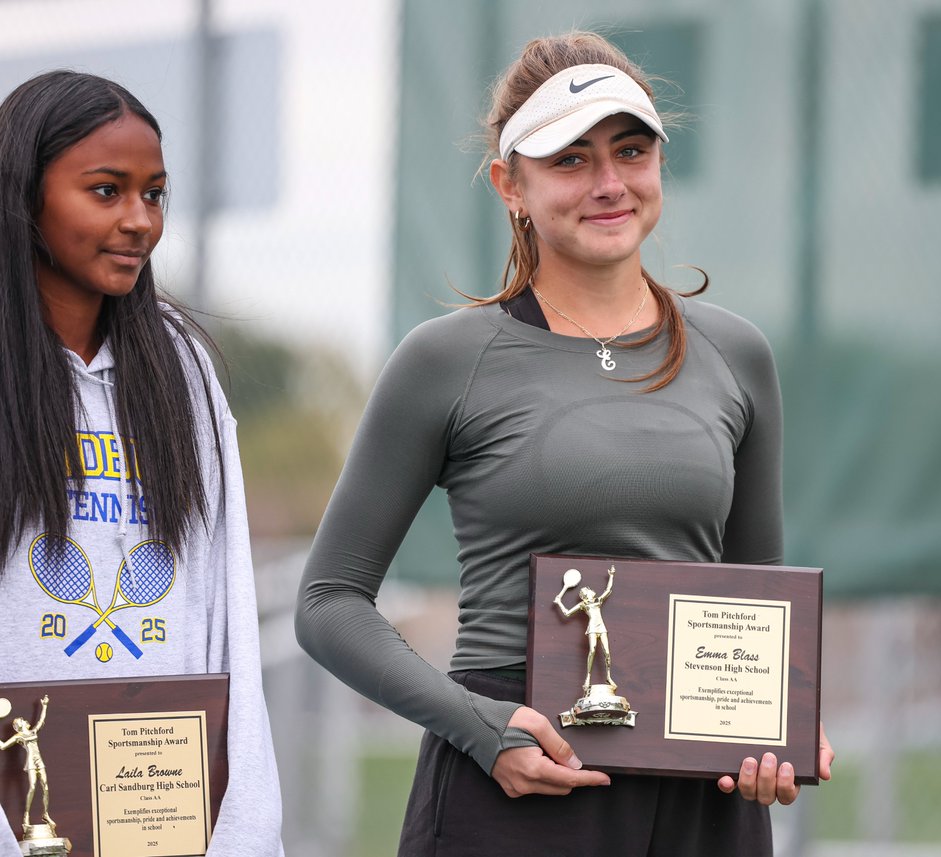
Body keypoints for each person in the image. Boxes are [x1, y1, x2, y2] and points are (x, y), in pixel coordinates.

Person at [295, 30, 833, 857]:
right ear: (511, 185)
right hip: (514, 776)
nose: (610, 183)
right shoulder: (445, 360)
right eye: (571, 160)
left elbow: (756, 611)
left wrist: (780, 729)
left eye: (630, 151)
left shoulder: (739, 353)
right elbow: (328, 601)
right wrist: (481, 726)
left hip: (702, 803)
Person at [0, 71, 284, 856]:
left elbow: (227, 615)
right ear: (24, 197)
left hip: (162, 816)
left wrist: (246, 832)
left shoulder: (182, 369)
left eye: (154, 194)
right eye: (105, 190)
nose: (138, 221)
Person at [0, 697, 54, 834]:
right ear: (19, 724)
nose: (25, 720)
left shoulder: (33, 732)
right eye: (22, 720)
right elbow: (3, 746)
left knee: (46, 787)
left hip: (39, 761)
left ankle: (45, 814)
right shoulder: (18, 736)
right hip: (30, 762)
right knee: (33, 786)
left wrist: (45, 706)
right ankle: (26, 816)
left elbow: (41, 721)